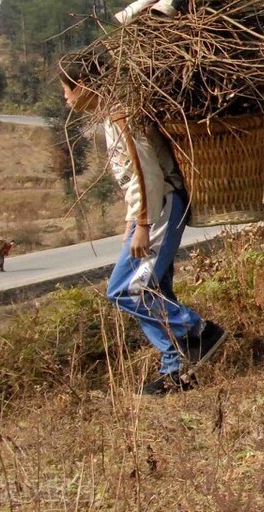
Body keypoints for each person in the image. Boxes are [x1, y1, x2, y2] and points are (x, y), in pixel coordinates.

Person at [59, 53, 227, 395]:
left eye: (67, 89)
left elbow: (146, 173)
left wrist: (144, 224)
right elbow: (134, 178)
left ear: (84, 85)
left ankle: (199, 330)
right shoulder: (114, 114)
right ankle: (175, 372)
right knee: (154, 291)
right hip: (156, 207)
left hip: (161, 205)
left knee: (125, 289)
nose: (66, 99)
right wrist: (131, 222)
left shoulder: (121, 114)